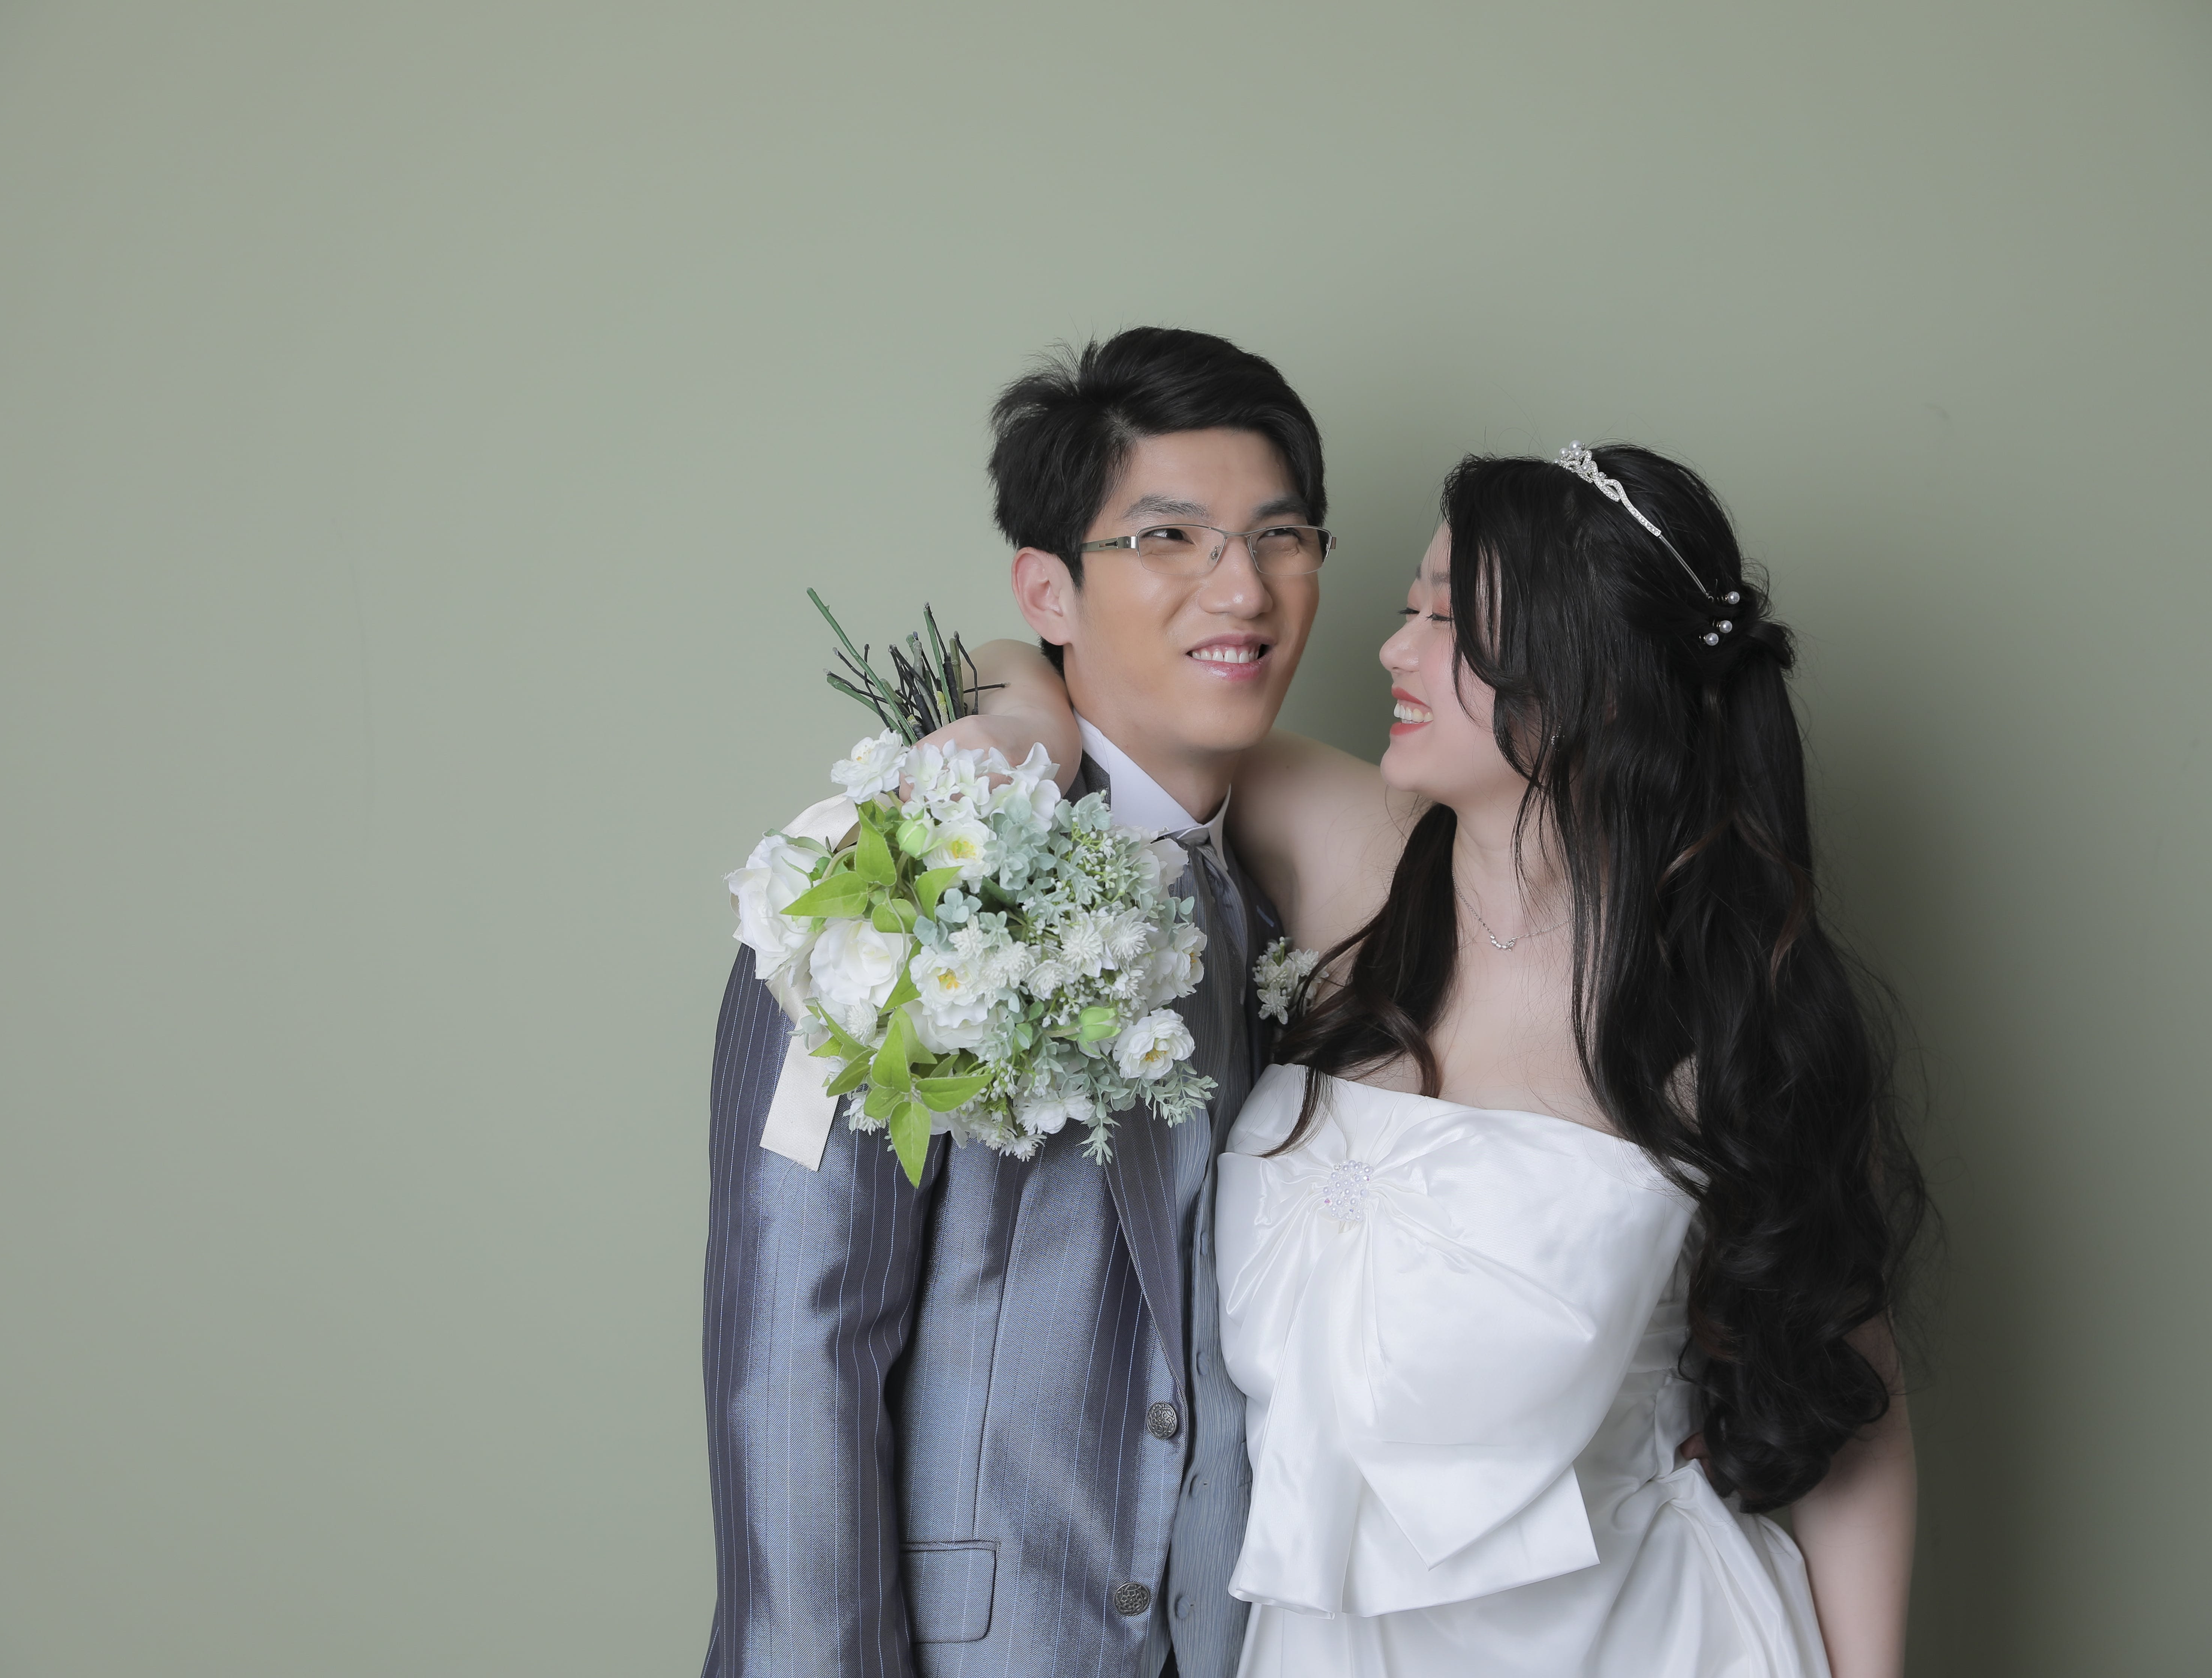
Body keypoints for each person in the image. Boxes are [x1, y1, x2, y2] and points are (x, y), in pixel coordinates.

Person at [963, 443, 1928, 1676]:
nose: (1392, 650)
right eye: (1411, 606)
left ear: (1599, 684)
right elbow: (1061, 665)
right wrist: (1021, 725)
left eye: (1446, 623)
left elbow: (1850, 1412)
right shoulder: (1362, 866)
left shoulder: (1728, 1022)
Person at [701, 326, 1332, 1678]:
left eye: (1281, 537)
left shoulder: (1286, 903)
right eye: (1170, 537)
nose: (1243, 589)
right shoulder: (888, 878)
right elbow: (794, 1350)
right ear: (1047, 588)